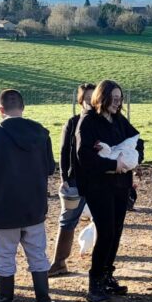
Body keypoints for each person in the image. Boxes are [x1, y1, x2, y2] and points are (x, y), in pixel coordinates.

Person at [0, 89, 62, 302]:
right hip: (34, 206)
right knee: (38, 255)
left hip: (3, 207)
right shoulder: (41, 132)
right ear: (23, 107)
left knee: (5, 256)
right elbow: (50, 168)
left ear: (0, 109)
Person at [75, 80, 142, 302]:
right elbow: (84, 156)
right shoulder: (88, 121)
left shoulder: (118, 120)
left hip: (121, 185)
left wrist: (132, 160)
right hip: (99, 186)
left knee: (116, 231)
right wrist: (113, 165)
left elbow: (138, 142)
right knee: (105, 232)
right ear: (101, 98)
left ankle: (107, 275)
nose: (117, 103)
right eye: (113, 99)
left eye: (119, 99)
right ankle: (95, 282)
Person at [50, 83, 96, 277]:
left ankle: (100, 267)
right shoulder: (72, 122)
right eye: (87, 99)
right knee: (67, 220)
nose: (90, 103)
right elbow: (63, 151)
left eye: (93, 99)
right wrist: (64, 177)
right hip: (75, 180)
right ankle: (59, 262)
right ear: (80, 101)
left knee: (102, 222)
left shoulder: (104, 123)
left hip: (99, 181)